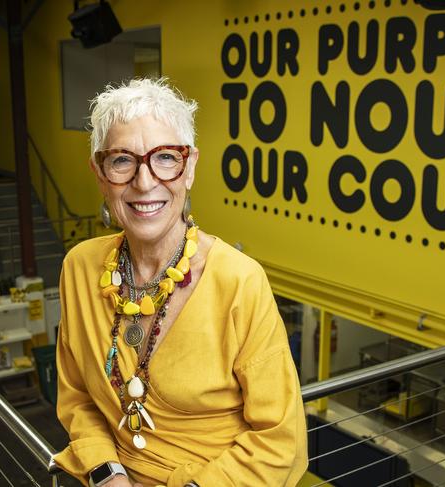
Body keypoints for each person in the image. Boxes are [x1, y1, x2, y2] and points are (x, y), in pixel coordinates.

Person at [54, 78, 308, 487]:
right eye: (122, 160)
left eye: (166, 157)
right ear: (100, 174)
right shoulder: (79, 268)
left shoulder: (239, 281)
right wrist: (107, 472)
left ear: (189, 168)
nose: (145, 181)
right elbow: (78, 399)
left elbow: (280, 439)